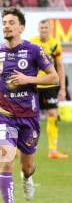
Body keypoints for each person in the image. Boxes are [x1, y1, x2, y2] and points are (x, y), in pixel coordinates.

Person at [0, 7, 59, 203]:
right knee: (7, 158)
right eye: (4, 22)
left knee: (27, 166)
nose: (7, 25)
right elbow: (2, 83)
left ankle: (26, 178)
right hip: (3, 114)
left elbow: (52, 77)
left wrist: (28, 79)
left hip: (29, 117)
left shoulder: (34, 50)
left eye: (11, 22)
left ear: (21, 27)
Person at [30, 19, 68, 159]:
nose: (43, 30)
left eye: (46, 28)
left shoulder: (55, 44)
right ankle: (23, 147)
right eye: (41, 27)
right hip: (33, 85)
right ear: (38, 28)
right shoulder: (31, 43)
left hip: (50, 86)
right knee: (29, 118)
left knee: (52, 115)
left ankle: (53, 150)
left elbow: (60, 67)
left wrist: (63, 88)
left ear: (50, 29)